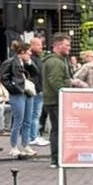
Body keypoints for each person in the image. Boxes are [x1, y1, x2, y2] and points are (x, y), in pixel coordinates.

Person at [0, 36, 43, 158]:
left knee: (27, 121)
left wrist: (30, 64)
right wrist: (14, 89)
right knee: (18, 121)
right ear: (22, 52)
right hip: (17, 93)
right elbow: (4, 78)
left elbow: (36, 73)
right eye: (28, 52)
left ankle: (25, 145)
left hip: (28, 93)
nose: (30, 54)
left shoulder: (27, 62)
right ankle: (13, 146)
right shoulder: (10, 62)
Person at [39, 34, 74, 163]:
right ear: (58, 46)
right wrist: (70, 83)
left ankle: (57, 157)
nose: (69, 48)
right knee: (59, 130)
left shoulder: (57, 60)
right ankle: (57, 158)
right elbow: (56, 82)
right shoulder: (55, 62)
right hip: (56, 101)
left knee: (56, 129)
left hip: (52, 100)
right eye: (67, 45)